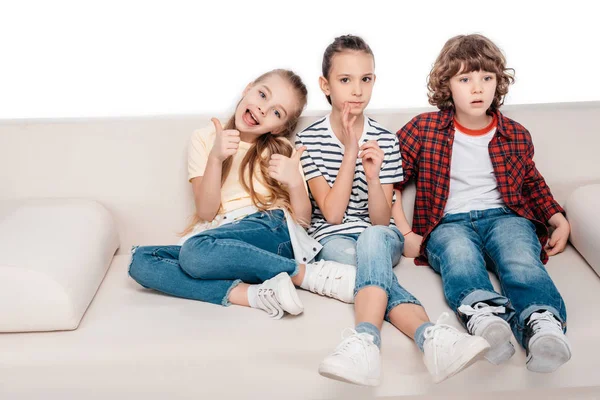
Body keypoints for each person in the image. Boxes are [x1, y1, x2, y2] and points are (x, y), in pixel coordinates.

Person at [296, 35, 489, 386]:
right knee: (373, 271)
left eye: (365, 79)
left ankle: (365, 342)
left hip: (381, 236)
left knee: (372, 237)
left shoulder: (385, 139)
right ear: (325, 85)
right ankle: (432, 337)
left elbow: (381, 220)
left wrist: (372, 176)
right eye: (345, 80)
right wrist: (351, 153)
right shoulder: (308, 141)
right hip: (332, 239)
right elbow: (333, 215)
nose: (357, 90)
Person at [394, 34, 571, 373]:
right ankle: (486, 317)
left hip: (506, 218)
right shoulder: (423, 128)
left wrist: (557, 217)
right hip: (448, 224)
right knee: (459, 257)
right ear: (447, 85)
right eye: (465, 79)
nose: (477, 88)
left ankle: (542, 323)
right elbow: (390, 180)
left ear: (497, 83)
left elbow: (532, 184)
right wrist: (405, 232)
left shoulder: (515, 134)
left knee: (520, 257)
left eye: (486, 78)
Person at [129, 69, 356, 320]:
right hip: (222, 239)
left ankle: (305, 274)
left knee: (194, 252)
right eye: (262, 95)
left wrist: (294, 183)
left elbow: (302, 222)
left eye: (276, 112)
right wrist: (216, 158)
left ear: (280, 127)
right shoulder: (205, 138)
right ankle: (255, 295)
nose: (262, 109)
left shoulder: (281, 150)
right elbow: (206, 211)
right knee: (140, 260)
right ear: (248, 88)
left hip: (269, 228)